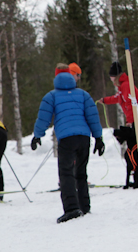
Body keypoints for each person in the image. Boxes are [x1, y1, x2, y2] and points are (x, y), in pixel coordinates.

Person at [32, 65, 104, 223]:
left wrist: (37, 136)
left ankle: (72, 208)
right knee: (81, 172)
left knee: (66, 173)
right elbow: (93, 116)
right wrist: (98, 138)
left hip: (66, 138)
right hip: (84, 137)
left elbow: (43, 118)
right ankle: (84, 206)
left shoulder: (51, 96)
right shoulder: (83, 95)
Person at [98, 61, 138, 127]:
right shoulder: (121, 86)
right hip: (137, 117)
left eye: (111, 76)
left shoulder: (125, 85)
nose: (110, 79)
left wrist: (130, 120)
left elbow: (129, 103)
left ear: (115, 76)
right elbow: (117, 98)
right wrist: (105, 100)